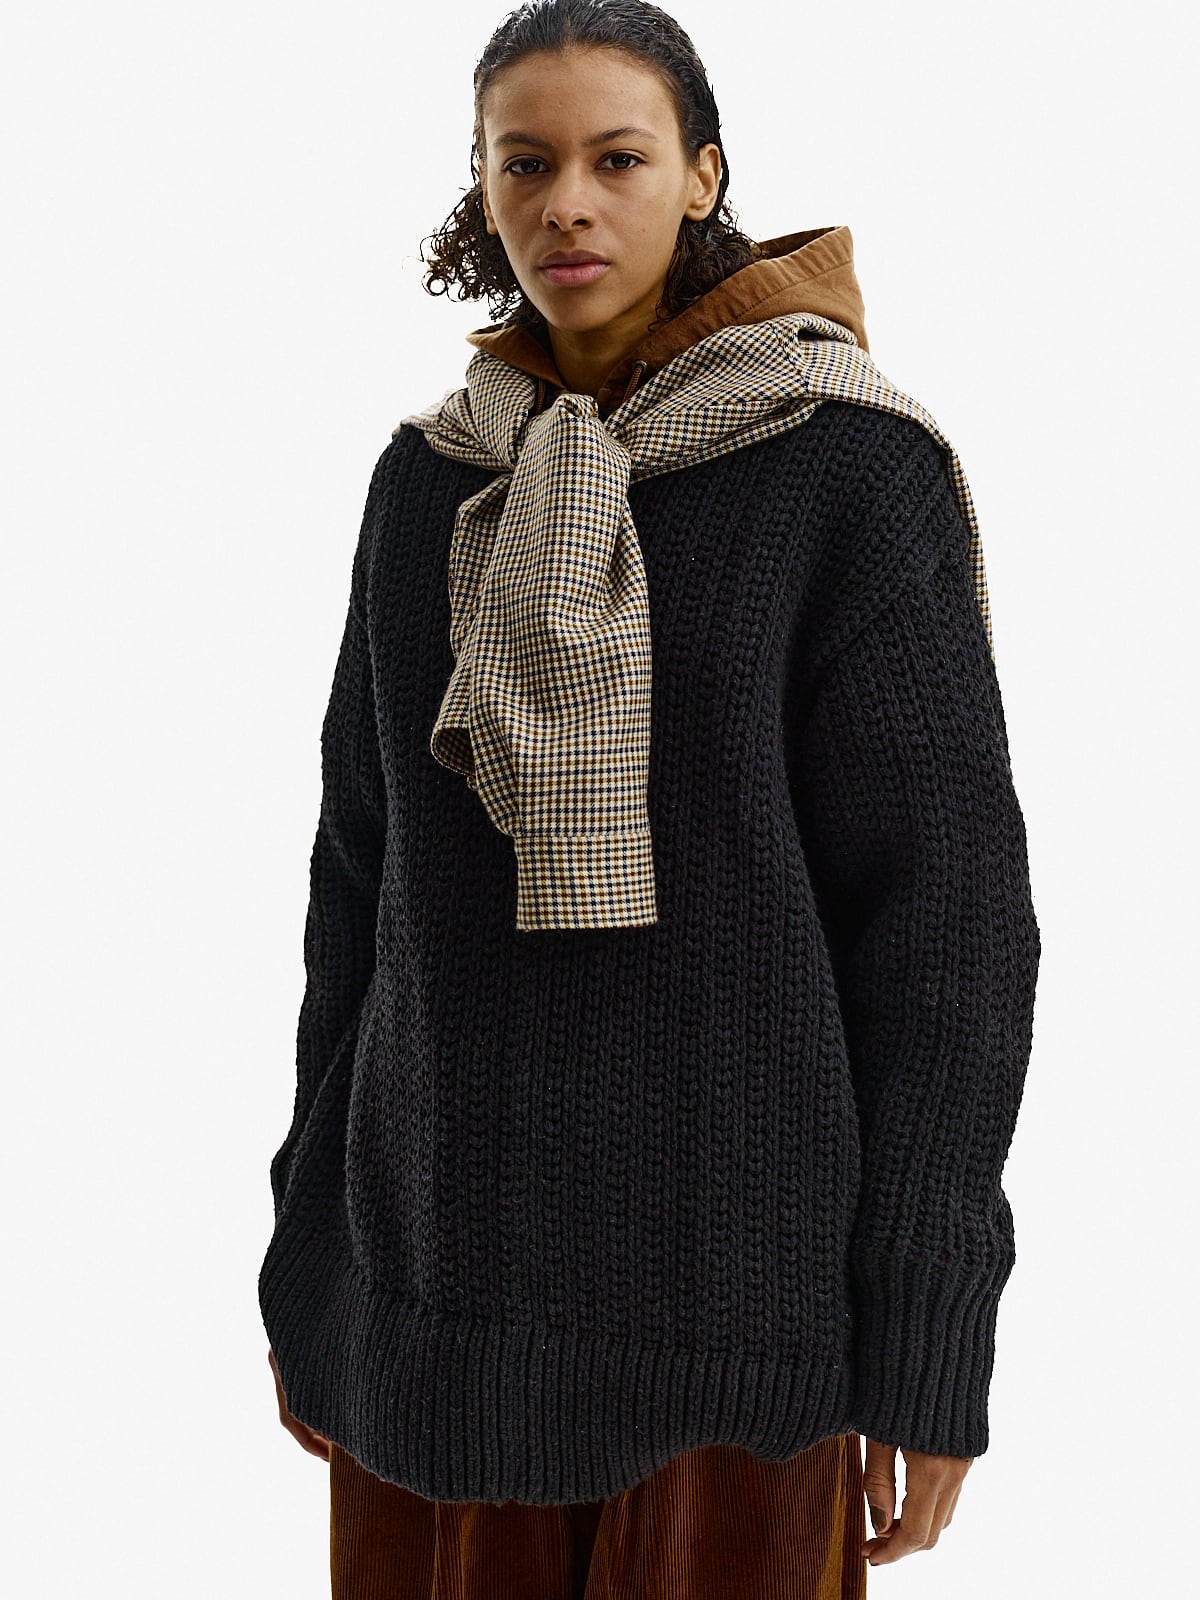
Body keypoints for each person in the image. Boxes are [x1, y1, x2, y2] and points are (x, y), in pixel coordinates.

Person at [259, 0, 1041, 1594]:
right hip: (433, 1315)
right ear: (483, 189)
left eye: (617, 159)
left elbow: (950, 929)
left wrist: (930, 1335)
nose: (567, 203)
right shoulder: (431, 480)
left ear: (702, 176)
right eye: (524, 163)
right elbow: (358, 887)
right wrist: (310, 1268)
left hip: (743, 1335)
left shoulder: (843, 468)